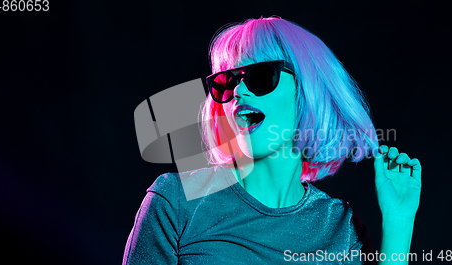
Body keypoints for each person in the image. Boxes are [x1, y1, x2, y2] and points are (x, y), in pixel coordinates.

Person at [123, 16, 422, 264]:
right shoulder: (175, 200)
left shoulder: (341, 227)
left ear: (307, 92)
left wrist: (399, 222)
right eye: (227, 82)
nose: (239, 92)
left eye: (260, 76)